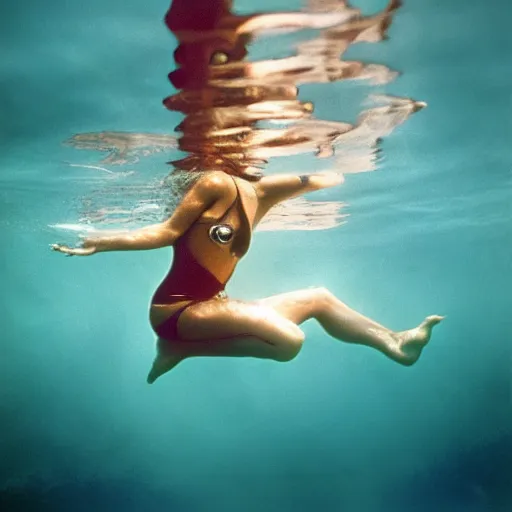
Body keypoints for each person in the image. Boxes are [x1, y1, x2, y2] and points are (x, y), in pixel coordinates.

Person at [52, 169, 443, 383]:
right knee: (290, 341)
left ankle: (395, 342)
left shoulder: (262, 192)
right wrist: (103, 241)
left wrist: (344, 153)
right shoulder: (215, 183)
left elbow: (332, 176)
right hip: (178, 312)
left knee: (320, 297)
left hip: (211, 307)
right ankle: (181, 347)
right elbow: (167, 232)